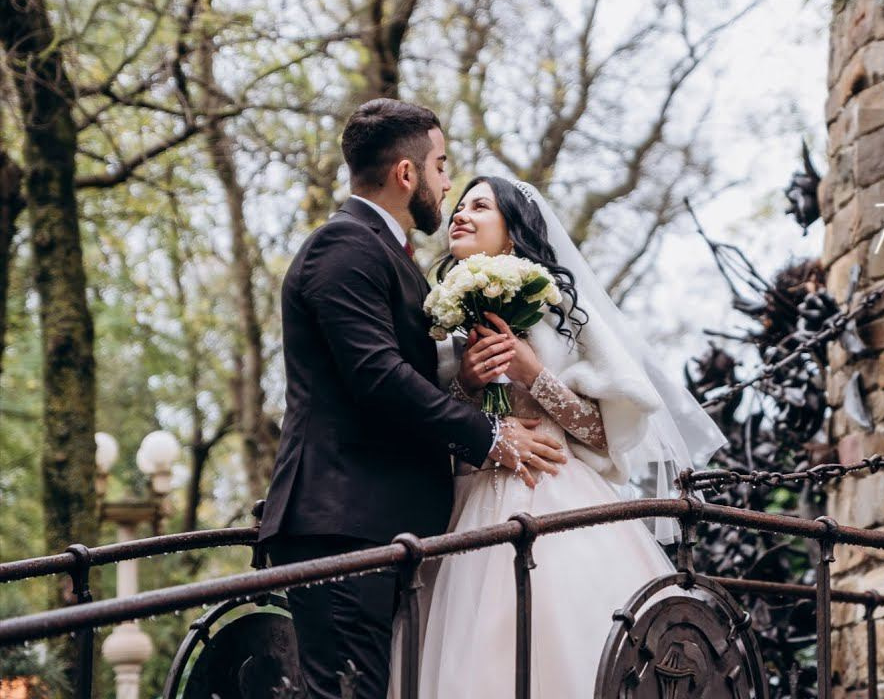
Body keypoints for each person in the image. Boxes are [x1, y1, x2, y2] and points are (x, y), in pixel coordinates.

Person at [258, 99, 566, 699]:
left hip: (378, 524)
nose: (447, 184)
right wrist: (492, 436)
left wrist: (469, 385)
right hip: (343, 523)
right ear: (407, 173)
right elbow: (377, 376)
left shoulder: (384, 252)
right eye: (441, 166)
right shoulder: (345, 245)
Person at [396, 176, 727, 698]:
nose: (460, 214)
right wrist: (468, 383)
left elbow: (602, 431)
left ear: (511, 233)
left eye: (479, 207)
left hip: (553, 493)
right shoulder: (441, 320)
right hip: (465, 506)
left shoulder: (561, 312)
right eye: (459, 206)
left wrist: (534, 375)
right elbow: (433, 421)